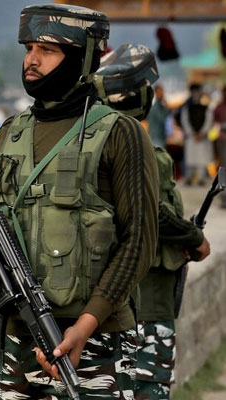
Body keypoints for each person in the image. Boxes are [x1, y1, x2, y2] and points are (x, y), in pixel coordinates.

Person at [0, 4, 159, 398]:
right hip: (16, 340)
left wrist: (86, 324)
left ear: (83, 57)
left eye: (48, 49)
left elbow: (139, 242)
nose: (32, 60)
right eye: (28, 48)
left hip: (97, 341)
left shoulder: (120, 133)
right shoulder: (9, 133)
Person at [95, 43, 211, 400]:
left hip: (110, 290)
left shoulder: (95, 144)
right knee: (151, 384)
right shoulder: (143, 149)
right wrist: (194, 239)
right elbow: (154, 214)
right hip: (148, 292)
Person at [180, 84, 214, 186]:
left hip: (201, 138)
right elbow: (184, 121)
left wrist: (202, 133)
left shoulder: (206, 108)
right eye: (193, 91)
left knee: (201, 160)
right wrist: (192, 133)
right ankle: (189, 178)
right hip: (191, 138)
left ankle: (201, 178)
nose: (195, 94)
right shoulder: (186, 108)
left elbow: (208, 121)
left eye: (197, 91)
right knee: (190, 160)